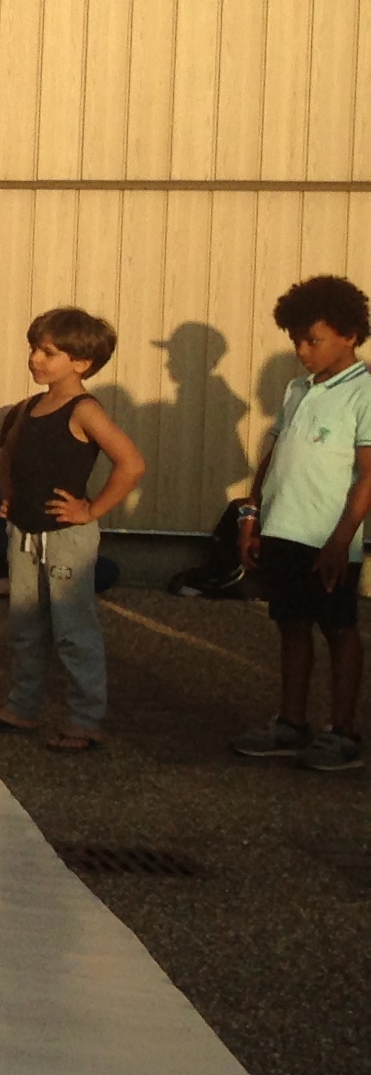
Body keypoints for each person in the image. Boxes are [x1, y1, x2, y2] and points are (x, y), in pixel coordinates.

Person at [0, 307, 146, 753]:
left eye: (48, 352)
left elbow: (131, 463)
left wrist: (91, 509)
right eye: (33, 349)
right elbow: (10, 454)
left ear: (81, 362)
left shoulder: (85, 411)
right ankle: (22, 707)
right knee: (26, 623)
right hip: (24, 532)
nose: (35, 359)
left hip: (66, 537)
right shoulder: (30, 407)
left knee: (73, 628)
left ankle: (85, 720)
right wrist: (9, 495)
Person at [229, 274, 371, 774]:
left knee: (339, 628)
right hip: (282, 532)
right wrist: (251, 517)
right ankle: (291, 723)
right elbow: (274, 456)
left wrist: (341, 539)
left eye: (313, 340)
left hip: (328, 539)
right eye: (296, 341)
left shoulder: (364, 393)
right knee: (291, 625)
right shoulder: (297, 390)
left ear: (349, 334)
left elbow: (368, 475)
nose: (302, 351)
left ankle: (343, 732)